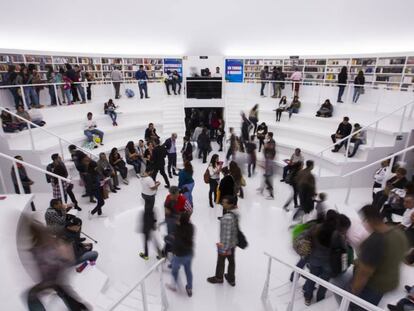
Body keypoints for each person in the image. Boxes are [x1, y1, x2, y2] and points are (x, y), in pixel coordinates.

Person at [334, 205, 408, 310]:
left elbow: (363, 274)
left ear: (369, 220)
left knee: (354, 305)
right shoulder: (398, 233)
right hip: (389, 283)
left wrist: (352, 292)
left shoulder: (374, 241)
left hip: (373, 286)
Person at [26, 221, 89, 311]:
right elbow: (66, 260)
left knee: (33, 295)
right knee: (63, 291)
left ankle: (79, 307)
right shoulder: (48, 247)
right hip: (53, 279)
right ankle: (79, 307)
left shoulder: (40, 249)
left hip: (52, 279)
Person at [207, 195, 239, 286]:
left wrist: (223, 246)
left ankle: (219, 278)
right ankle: (231, 278)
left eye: (224, 202)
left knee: (221, 261)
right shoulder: (235, 213)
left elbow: (227, 234)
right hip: (233, 243)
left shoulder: (227, 218)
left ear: (230, 204)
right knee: (232, 261)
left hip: (226, 244)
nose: (222, 203)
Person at [166, 212, 195, 297]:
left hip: (180, 255)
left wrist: (171, 238)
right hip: (189, 253)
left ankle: (173, 286)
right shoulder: (191, 227)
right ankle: (189, 288)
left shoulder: (179, 229)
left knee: (174, 270)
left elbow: (177, 242)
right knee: (188, 271)